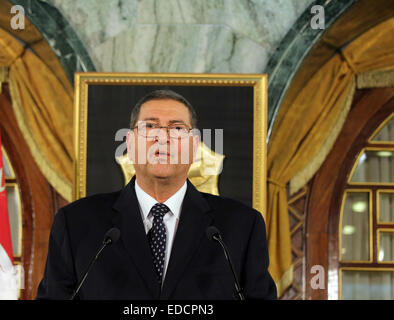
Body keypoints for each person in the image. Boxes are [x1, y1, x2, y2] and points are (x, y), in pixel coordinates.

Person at [36, 89, 277, 300]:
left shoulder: (241, 226)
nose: (163, 138)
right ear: (129, 144)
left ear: (194, 147)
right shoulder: (76, 223)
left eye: (177, 128)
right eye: (150, 126)